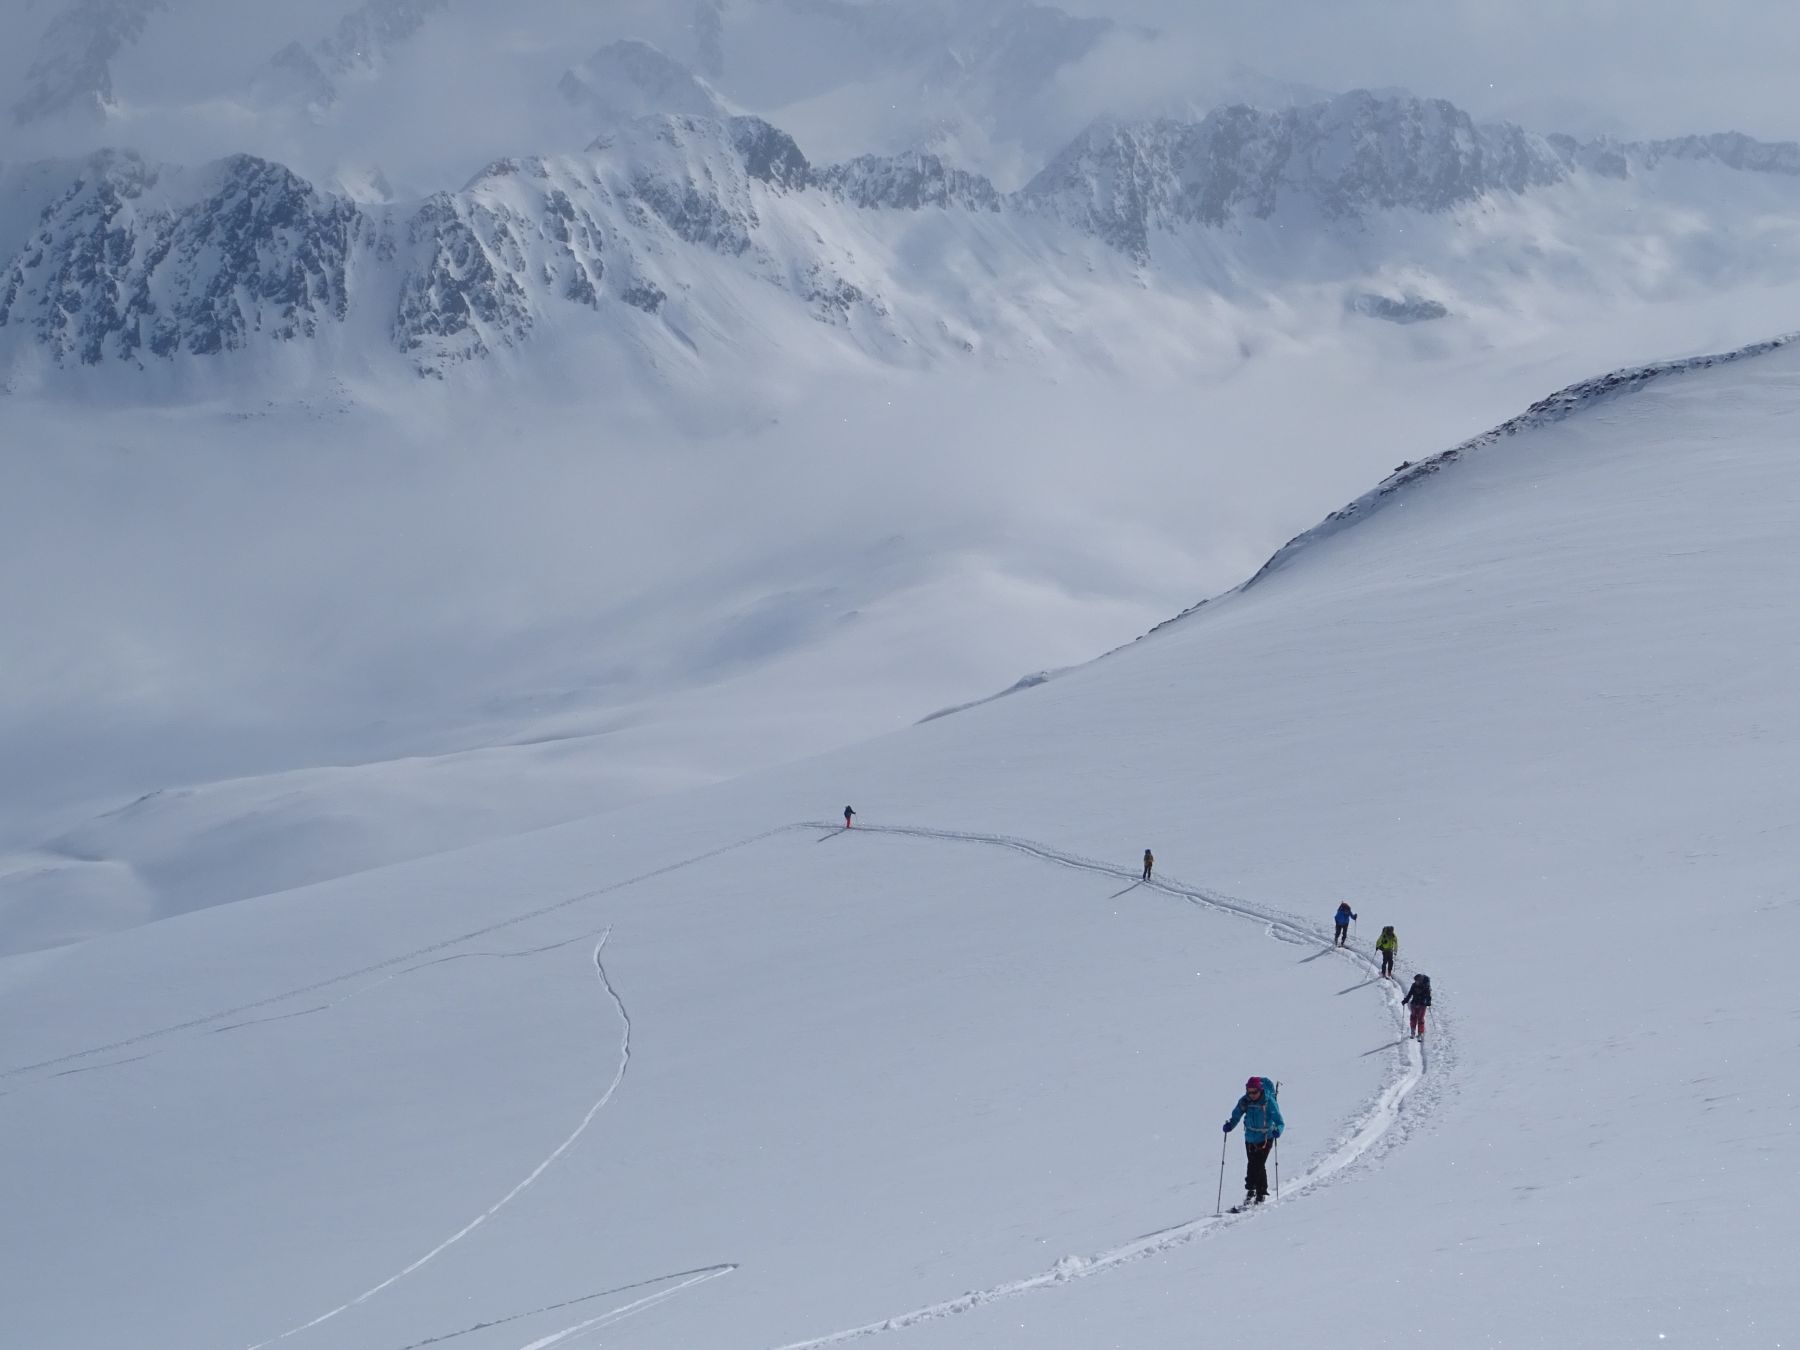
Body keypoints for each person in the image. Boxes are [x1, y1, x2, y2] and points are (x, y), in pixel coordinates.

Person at [1222, 1075, 1284, 1206]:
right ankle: (1257, 1191)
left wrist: (1278, 1130)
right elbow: (1236, 1115)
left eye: (1254, 1092)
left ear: (1260, 1090)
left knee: (1257, 1165)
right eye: (1249, 1091)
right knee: (1254, 1164)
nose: (1251, 1094)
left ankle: (1254, 1191)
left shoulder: (1268, 1101)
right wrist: (1230, 1125)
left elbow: (1279, 1121)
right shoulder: (1245, 1101)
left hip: (1266, 1137)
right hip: (1250, 1138)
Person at [1401, 973, 1432, 1039]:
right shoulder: (1413, 985)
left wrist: (1428, 1002)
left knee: (1420, 1019)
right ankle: (1413, 1032)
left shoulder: (1426, 987)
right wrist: (1405, 1000)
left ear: (1420, 981)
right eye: (1415, 981)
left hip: (1422, 1005)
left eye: (1417, 981)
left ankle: (1420, 1033)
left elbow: (1428, 996)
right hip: (1414, 1003)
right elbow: (1410, 994)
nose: (1416, 982)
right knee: (1413, 1017)